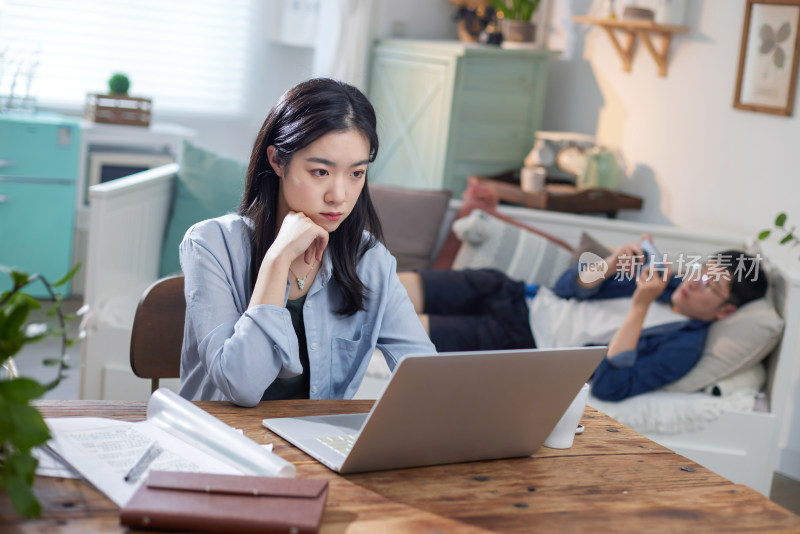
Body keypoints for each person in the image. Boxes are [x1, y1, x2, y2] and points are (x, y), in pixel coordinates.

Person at [178, 78, 435, 406]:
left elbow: (424, 374)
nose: (339, 196)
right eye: (320, 172)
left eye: (356, 174)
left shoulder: (369, 260)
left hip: (313, 449)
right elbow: (241, 385)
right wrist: (277, 261)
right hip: (221, 444)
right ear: (277, 161)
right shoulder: (210, 245)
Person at [399, 238, 768, 401]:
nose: (696, 282)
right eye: (702, 270)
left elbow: (612, 385)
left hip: (522, 342)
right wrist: (610, 263)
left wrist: (639, 308)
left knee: (398, 326)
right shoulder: (663, 279)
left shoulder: (684, 347)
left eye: (712, 284)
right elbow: (566, 286)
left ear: (726, 312)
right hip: (515, 294)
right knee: (390, 292)